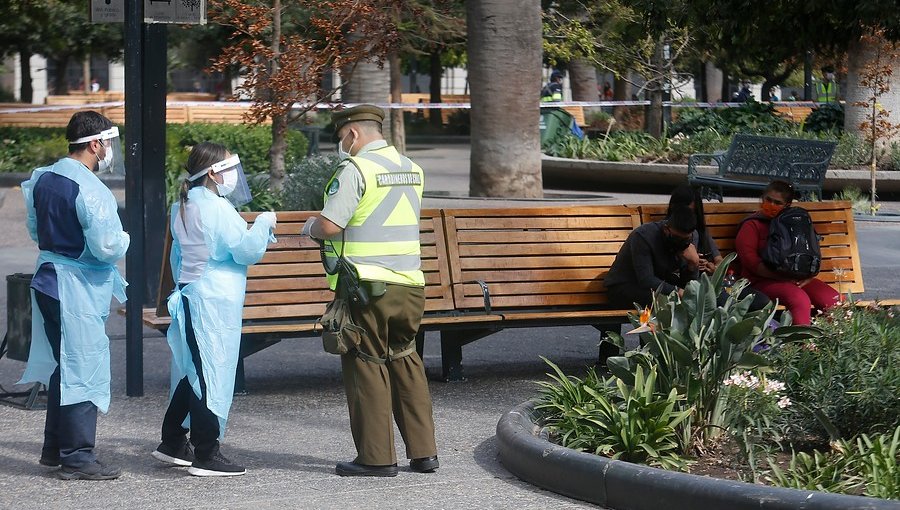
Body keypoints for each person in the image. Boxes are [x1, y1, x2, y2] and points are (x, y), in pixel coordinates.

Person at [301, 105, 438, 477]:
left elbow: (331, 225)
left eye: (341, 137)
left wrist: (309, 226)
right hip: (410, 284)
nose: (342, 144)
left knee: (367, 361)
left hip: (368, 288)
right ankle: (424, 453)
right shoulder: (412, 169)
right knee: (405, 358)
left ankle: (377, 459)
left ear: (353, 134)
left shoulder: (356, 169)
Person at [150, 142, 276, 477]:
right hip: (214, 304)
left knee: (196, 370)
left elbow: (179, 258)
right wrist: (264, 222)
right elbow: (246, 251)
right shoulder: (218, 209)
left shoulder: (186, 203)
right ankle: (207, 453)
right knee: (212, 376)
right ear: (215, 173)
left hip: (193, 298)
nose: (235, 176)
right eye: (230, 168)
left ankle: (173, 439)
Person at [19, 111, 129, 480]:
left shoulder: (43, 178)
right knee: (82, 369)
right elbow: (108, 246)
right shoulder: (92, 188)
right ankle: (78, 457)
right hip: (76, 291)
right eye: (108, 144)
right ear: (96, 143)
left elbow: (35, 230)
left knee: (64, 369)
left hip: (48, 280)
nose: (109, 151)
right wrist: (125, 239)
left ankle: (55, 450)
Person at [734, 180, 839, 325]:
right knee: (799, 299)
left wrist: (809, 276)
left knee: (833, 300)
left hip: (794, 278)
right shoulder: (751, 225)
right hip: (760, 281)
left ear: (787, 206)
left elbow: (812, 252)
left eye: (777, 203)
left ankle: (835, 342)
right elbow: (751, 262)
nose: (771, 205)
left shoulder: (795, 224)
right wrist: (782, 277)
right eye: (768, 200)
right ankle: (803, 345)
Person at [667, 184, 770, 312]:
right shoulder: (668, 233)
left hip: (715, 283)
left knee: (762, 301)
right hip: (694, 287)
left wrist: (712, 268)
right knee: (728, 305)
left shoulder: (701, 232)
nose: (686, 216)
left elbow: (720, 262)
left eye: (691, 212)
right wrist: (690, 264)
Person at [604, 205, 699, 309]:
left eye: (686, 239)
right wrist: (676, 292)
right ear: (666, 229)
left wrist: (693, 265)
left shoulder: (692, 238)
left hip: (658, 287)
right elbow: (646, 279)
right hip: (624, 287)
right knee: (668, 303)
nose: (682, 243)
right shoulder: (644, 236)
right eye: (677, 238)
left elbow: (687, 286)